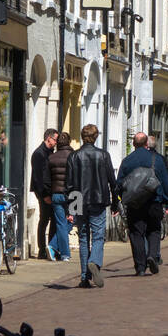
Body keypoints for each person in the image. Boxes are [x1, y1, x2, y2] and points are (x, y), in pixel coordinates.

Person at [65, 123, 117, 287]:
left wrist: (71, 209)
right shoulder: (103, 155)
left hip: (79, 199)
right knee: (98, 235)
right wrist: (115, 202)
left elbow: (69, 185)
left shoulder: (74, 157)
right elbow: (112, 181)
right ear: (96, 137)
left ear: (82, 137)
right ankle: (94, 261)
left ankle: (84, 278)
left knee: (83, 237)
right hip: (98, 199)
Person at [116, 132, 168, 275]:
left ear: (134, 144)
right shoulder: (157, 159)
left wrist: (117, 200)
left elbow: (120, 183)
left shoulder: (127, 160)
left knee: (136, 234)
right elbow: (165, 182)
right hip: (154, 201)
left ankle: (140, 267)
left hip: (135, 204)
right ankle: (152, 256)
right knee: (154, 230)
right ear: (147, 143)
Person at [44, 131, 75, 261]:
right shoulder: (74, 157)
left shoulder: (51, 158)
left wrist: (47, 194)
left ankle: (54, 246)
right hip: (73, 195)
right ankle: (64, 253)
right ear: (69, 142)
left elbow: (46, 179)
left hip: (56, 194)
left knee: (62, 223)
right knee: (73, 221)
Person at [31, 128, 59, 259]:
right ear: (49, 138)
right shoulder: (39, 154)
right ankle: (42, 249)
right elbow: (38, 177)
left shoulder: (49, 152)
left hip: (49, 191)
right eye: (55, 139)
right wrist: (45, 195)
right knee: (44, 220)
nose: (56, 142)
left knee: (52, 218)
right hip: (43, 192)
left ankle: (50, 248)